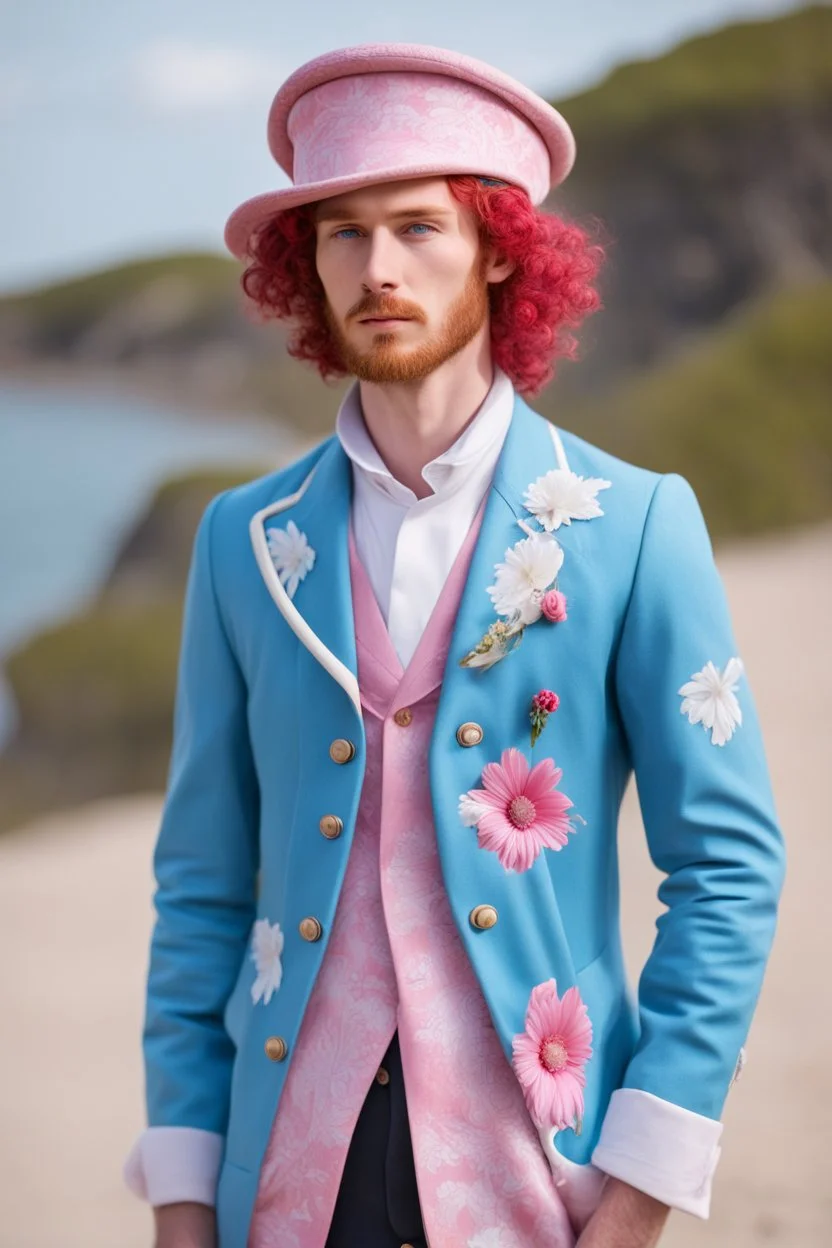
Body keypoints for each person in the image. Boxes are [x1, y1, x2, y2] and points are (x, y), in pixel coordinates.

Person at [123, 42, 785, 1248]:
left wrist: (640, 1186)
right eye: (342, 233)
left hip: (541, 1178)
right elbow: (202, 884)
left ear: (497, 249)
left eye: (419, 227)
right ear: (304, 267)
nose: (378, 269)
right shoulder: (241, 541)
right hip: (286, 1178)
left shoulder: (636, 526)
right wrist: (181, 1186)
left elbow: (729, 872)